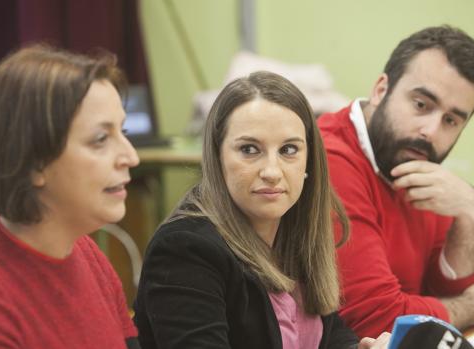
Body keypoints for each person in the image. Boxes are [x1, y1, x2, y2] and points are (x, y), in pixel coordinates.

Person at [133, 71, 390, 349]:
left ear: (308, 161)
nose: (271, 171)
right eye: (249, 149)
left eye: (289, 149)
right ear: (217, 156)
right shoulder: (184, 249)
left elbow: (329, 335)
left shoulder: (296, 229)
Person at [0, 45, 141, 348]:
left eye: (123, 132)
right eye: (101, 139)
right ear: (34, 162)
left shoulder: (86, 254)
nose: (131, 156)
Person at [316, 25, 474, 338]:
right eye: (421, 104)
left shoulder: (415, 163)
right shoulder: (331, 158)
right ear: (380, 90)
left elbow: (462, 293)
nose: (431, 131)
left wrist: (472, 210)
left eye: (451, 120)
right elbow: (377, 320)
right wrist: (471, 306)